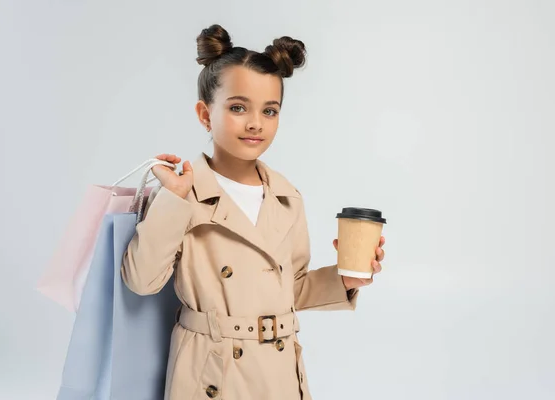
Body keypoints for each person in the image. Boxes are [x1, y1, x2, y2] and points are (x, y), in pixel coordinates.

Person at [121, 24, 386, 400]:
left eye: (270, 110)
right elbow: (140, 280)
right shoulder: (182, 192)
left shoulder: (286, 197)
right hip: (210, 372)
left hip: (277, 373)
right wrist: (174, 199)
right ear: (204, 113)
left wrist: (346, 281)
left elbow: (290, 288)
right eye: (237, 107)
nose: (255, 123)